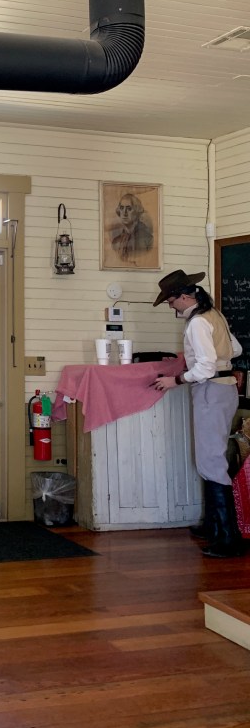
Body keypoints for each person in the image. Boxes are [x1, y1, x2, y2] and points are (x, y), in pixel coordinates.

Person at [153, 269, 244, 557]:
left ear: (183, 296)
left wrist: (176, 379)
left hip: (210, 391)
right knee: (211, 458)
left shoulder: (197, 323)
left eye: (170, 301)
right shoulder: (214, 315)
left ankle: (228, 538)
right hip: (226, 390)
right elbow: (236, 349)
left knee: (210, 462)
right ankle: (214, 526)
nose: (170, 306)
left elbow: (205, 367)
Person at [109, 193, 154, 262]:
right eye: (122, 208)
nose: (124, 213)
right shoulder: (116, 241)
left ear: (137, 211)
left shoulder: (147, 238)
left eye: (129, 209)